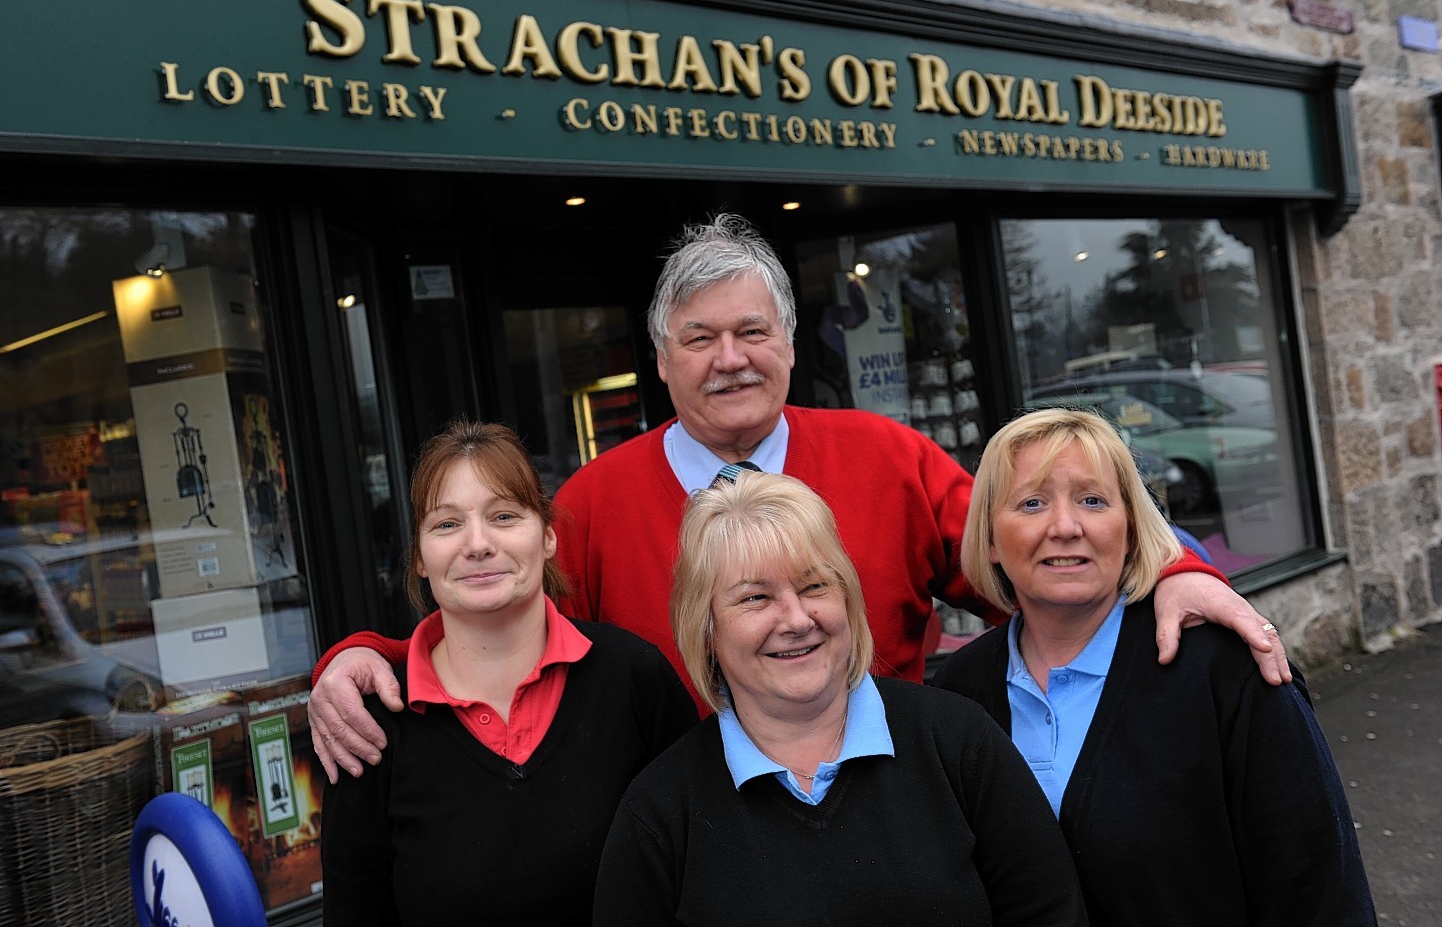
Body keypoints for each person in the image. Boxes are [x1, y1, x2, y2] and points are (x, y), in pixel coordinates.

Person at [308, 212, 1287, 783]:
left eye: (749, 332)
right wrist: (369, 657)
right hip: (691, 844)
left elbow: (1040, 562)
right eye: (698, 339)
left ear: (786, 341)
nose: (727, 359)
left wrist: (1174, 577)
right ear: (660, 361)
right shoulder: (595, 503)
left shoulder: (888, 457)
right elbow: (503, 635)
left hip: (899, 810)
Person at [931, 409, 1375, 926]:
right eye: (1032, 503)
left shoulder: (1222, 669)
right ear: (989, 540)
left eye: (1092, 501)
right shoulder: (960, 692)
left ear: (1131, 528)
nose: (1066, 527)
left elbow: (1319, 887)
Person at [591, 470, 1087, 926]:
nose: (796, 620)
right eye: (755, 598)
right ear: (706, 631)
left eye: (814, 586)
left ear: (848, 599)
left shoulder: (957, 743)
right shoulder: (660, 812)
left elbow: (1049, 913)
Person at [320, 420, 696, 925]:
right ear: (420, 561)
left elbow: (702, 877)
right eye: (447, 524)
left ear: (547, 538)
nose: (477, 544)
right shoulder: (371, 726)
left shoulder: (634, 678)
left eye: (503, 516)